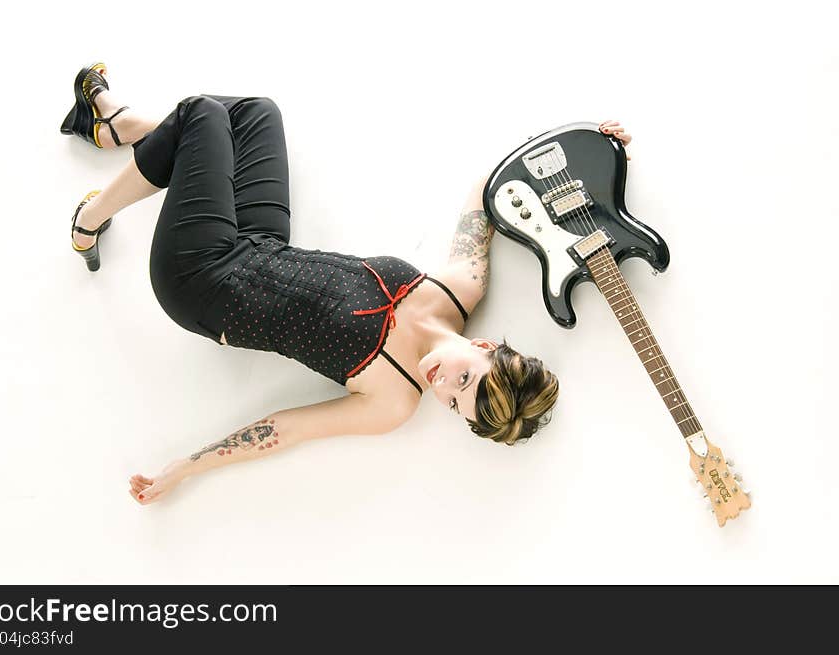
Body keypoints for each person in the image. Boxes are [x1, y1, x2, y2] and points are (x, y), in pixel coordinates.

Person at [60, 62, 633, 505]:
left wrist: (183, 468)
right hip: (258, 244)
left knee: (202, 114)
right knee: (257, 113)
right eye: (464, 378)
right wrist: (590, 146)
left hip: (201, 284)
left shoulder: (395, 400)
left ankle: (87, 223)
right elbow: (489, 190)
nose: (443, 388)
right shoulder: (462, 285)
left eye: (456, 405)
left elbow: (284, 431)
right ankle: (121, 128)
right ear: (485, 347)